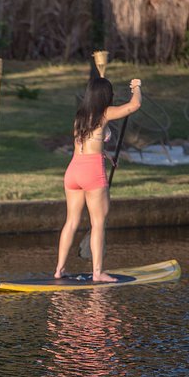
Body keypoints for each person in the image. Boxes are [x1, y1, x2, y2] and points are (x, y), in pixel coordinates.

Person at [54, 77, 142, 282]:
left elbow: (87, 144)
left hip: (73, 171)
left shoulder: (80, 116)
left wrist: (106, 155)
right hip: (92, 173)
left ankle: (59, 270)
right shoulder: (104, 113)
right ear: (105, 96)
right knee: (98, 223)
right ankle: (97, 273)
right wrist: (136, 87)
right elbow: (134, 105)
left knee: (71, 221)